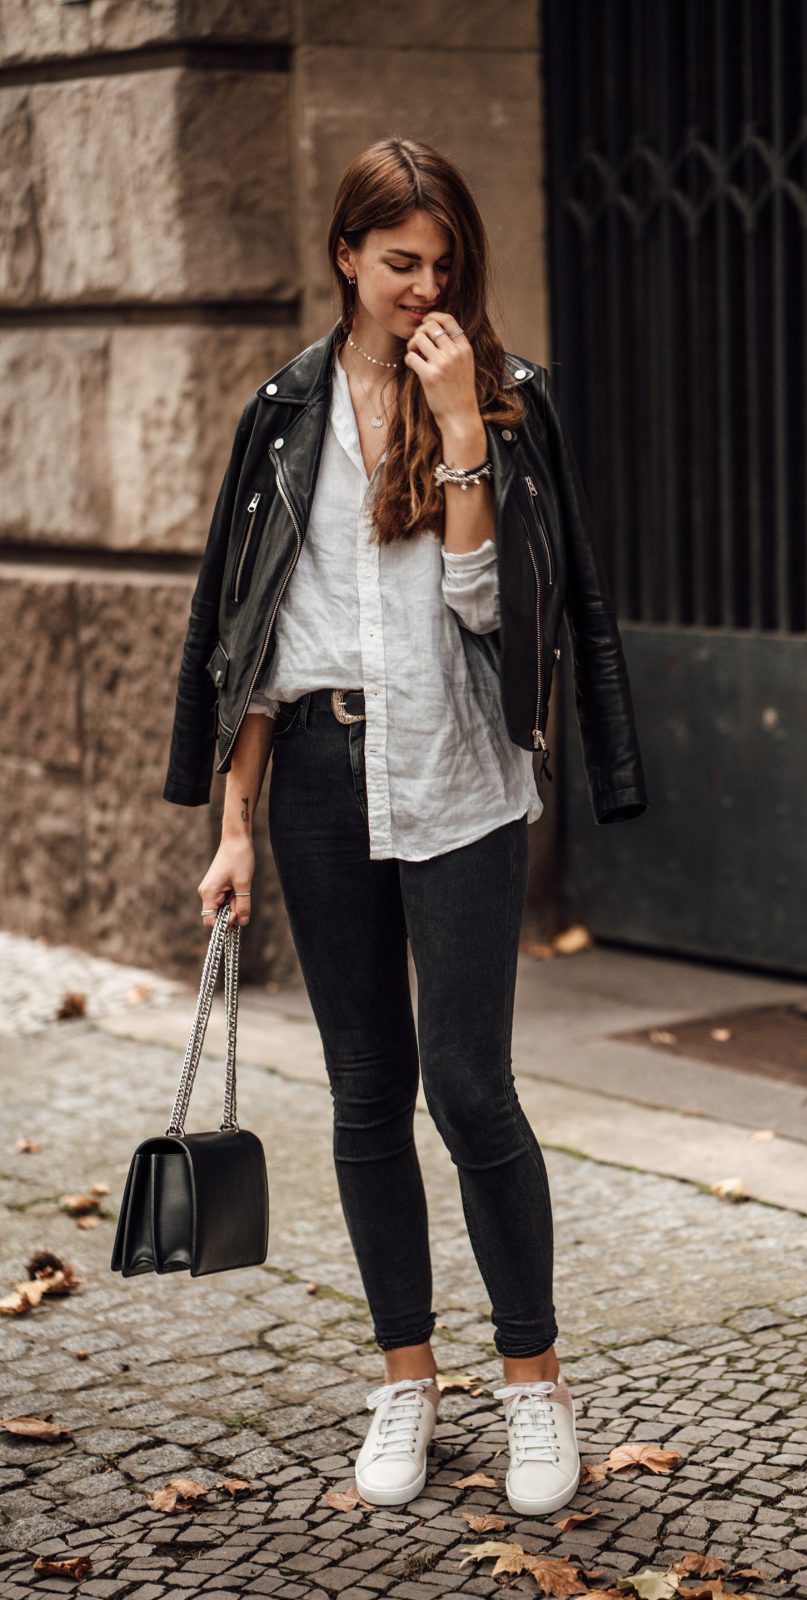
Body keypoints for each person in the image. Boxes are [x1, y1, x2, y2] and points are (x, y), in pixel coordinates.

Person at [163, 136, 647, 1516]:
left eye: (443, 263)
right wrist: (235, 826)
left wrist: (461, 434)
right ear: (345, 258)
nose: (426, 287)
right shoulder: (284, 412)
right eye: (399, 262)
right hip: (317, 778)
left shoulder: (506, 401)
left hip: (461, 775)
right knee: (366, 1093)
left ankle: (535, 1385)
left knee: (471, 1088)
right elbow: (259, 639)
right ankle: (406, 1379)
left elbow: (501, 616)